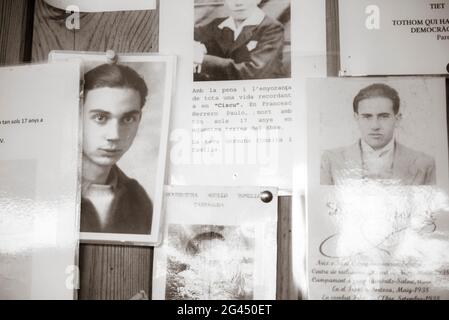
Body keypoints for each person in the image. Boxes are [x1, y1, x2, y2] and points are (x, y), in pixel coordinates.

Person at [80, 63, 153, 234]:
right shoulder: (45, 189)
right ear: (76, 115)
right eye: (100, 117)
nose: (115, 135)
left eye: (128, 119)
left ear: (139, 120)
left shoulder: (138, 198)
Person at [321, 83, 436, 185]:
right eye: (367, 117)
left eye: (384, 116)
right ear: (356, 118)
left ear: (397, 119)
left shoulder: (424, 164)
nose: (375, 126)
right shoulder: (331, 160)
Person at [193, 0, 286, 81]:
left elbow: (253, 73)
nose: (238, 3)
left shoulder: (273, 29)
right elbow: (188, 34)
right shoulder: (218, 24)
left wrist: (201, 59)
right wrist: (196, 47)